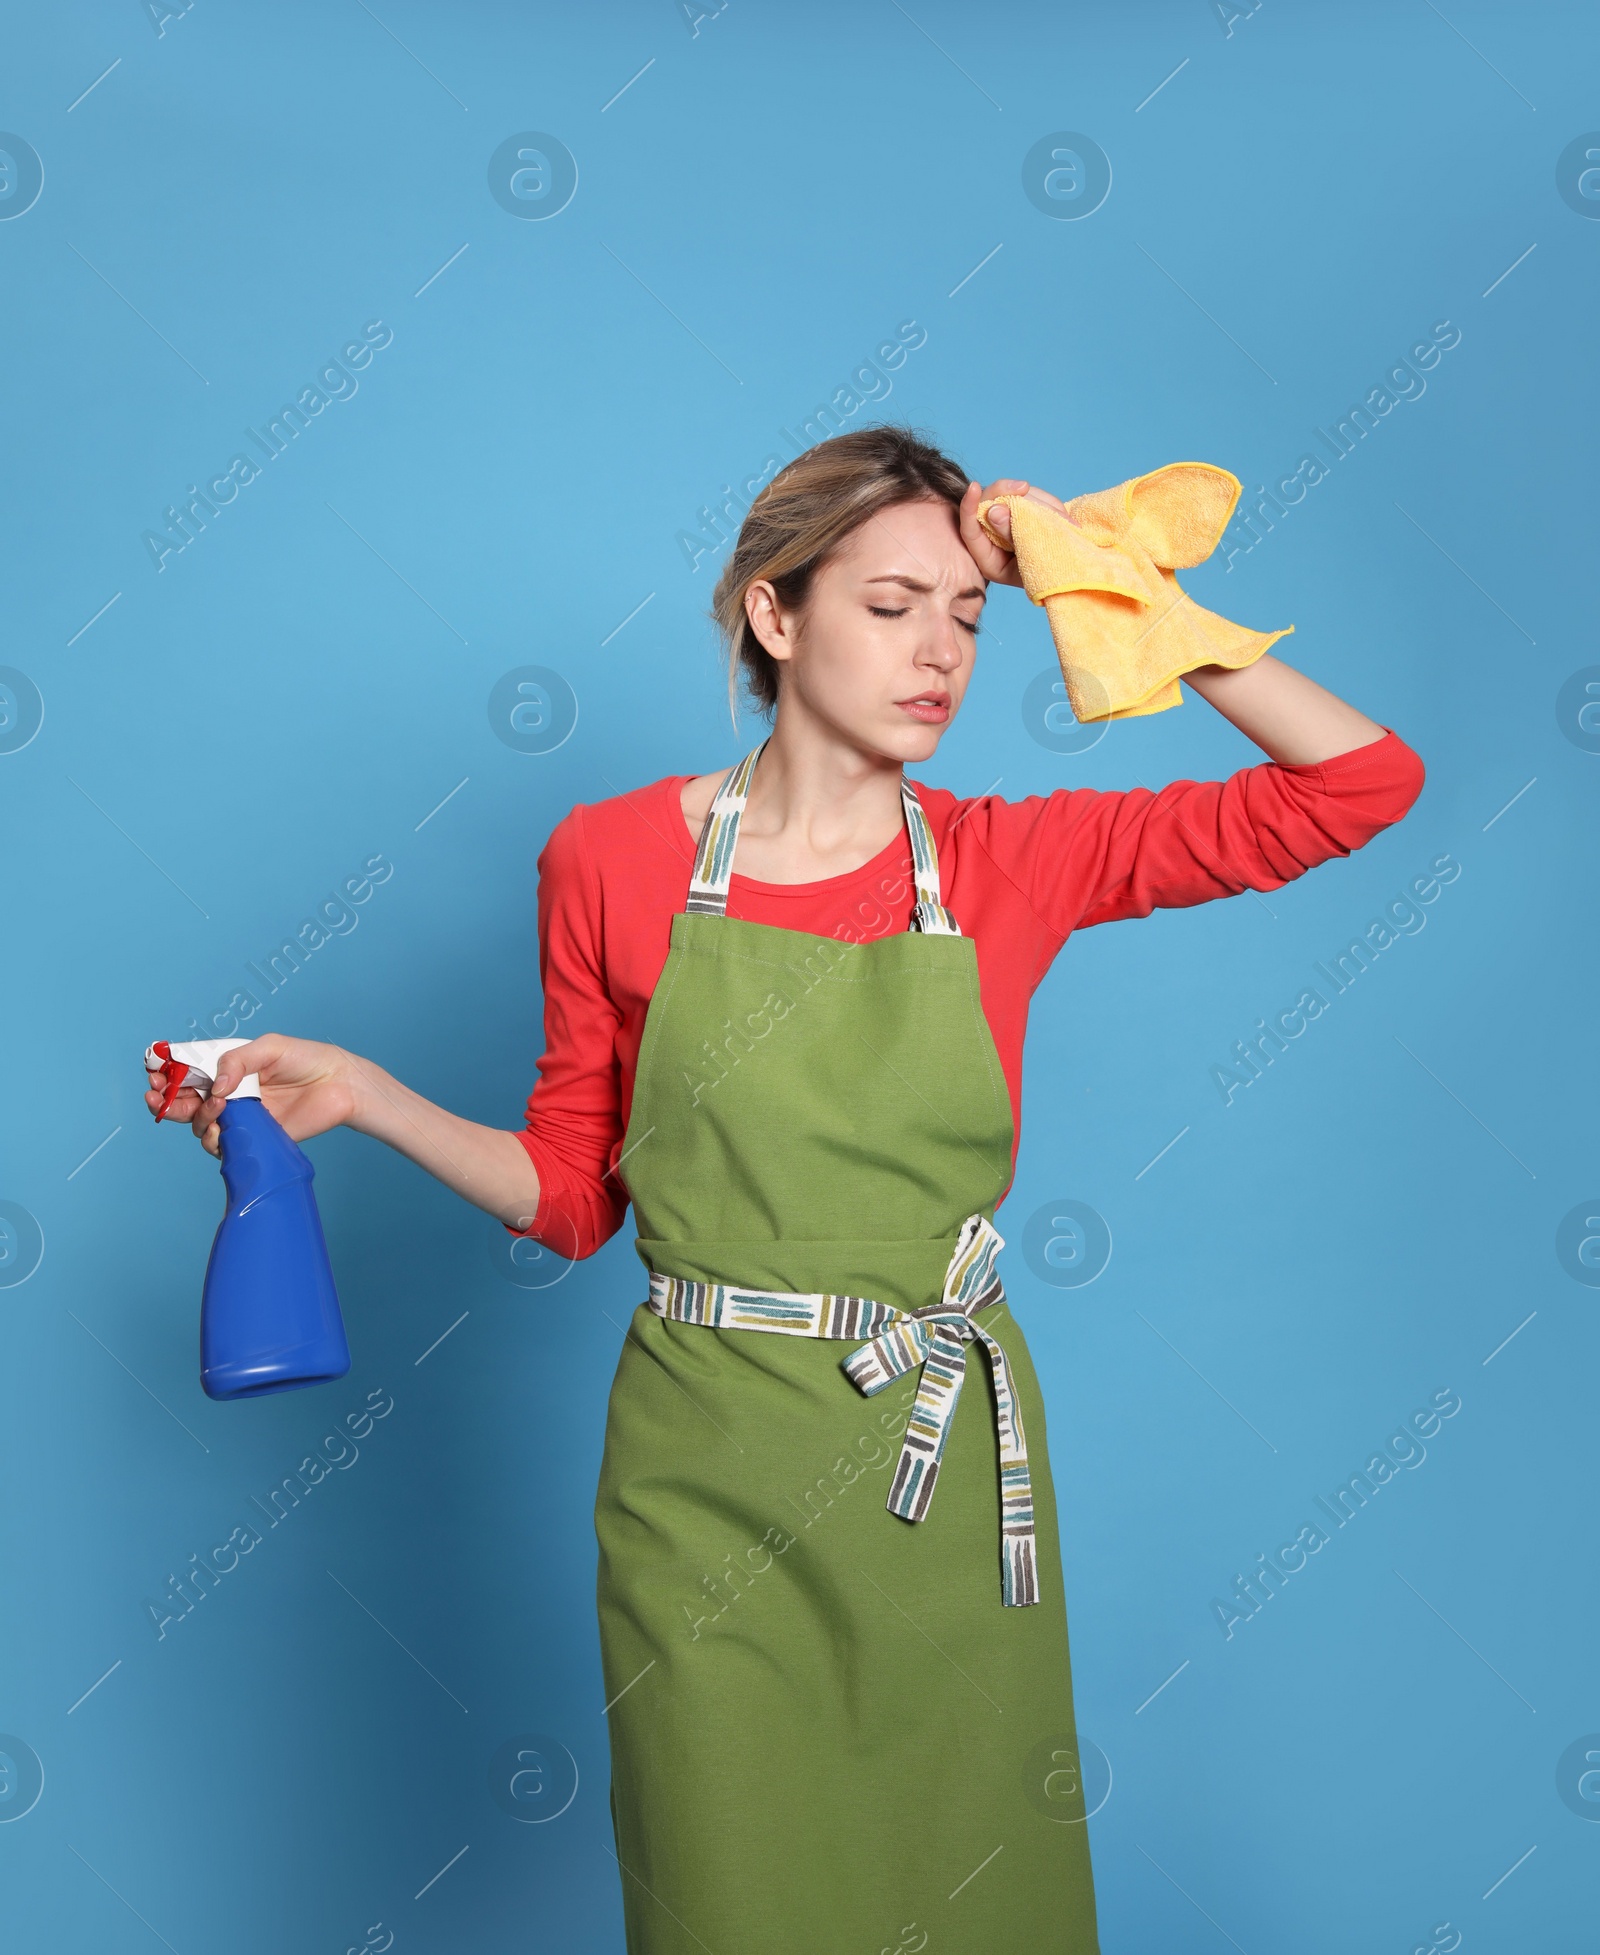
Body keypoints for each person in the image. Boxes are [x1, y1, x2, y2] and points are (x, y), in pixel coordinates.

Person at [149, 426, 1424, 1952]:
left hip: (939, 1474)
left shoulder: (1017, 861)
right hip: (706, 1477)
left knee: (973, 1906)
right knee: (730, 1898)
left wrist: (1124, 596)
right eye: (892, 607)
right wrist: (365, 1096)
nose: (941, 652)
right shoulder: (610, 859)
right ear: (776, 613)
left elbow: (1361, 781)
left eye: (970, 613)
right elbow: (572, 1195)